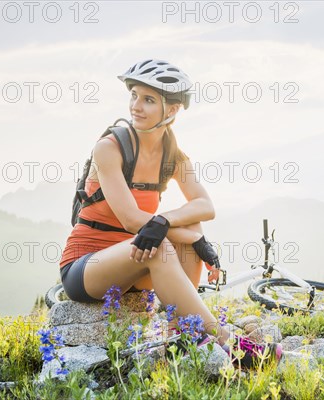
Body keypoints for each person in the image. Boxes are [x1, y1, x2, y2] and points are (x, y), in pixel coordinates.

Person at [58, 59, 281, 366]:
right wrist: (193, 237)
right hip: (86, 266)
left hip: (133, 260)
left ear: (172, 110)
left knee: (184, 233)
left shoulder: (173, 157)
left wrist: (172, 223)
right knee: (160, 245)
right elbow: (132, 220)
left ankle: (182, 337)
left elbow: (205, 205)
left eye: (148, 99)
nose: (136, 106)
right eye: (134, 95)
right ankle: (230, 344)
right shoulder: (109, 149)